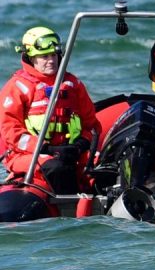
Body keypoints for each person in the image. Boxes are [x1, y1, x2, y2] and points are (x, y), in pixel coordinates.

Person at [0, 26, 101, 194]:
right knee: (57, 167)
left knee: (105, 165)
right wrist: (48, 149)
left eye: (53, 55)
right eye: (44, 57)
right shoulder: (17, 87)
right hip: (27, 155)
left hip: (70, 151)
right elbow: (11, 133)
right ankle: (69, 212)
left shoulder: (73, 85)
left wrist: (79, 145)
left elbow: (91, 125)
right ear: (31, 58)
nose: (51, 60)